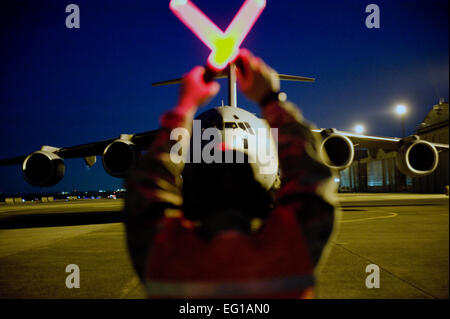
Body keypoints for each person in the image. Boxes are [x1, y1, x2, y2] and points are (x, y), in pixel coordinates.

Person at [124, 49, 337, 298]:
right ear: (256, 196)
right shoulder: (289, 251)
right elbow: (312, 178)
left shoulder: (166, 256)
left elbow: (146, 185)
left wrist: (184, 107)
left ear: (192, 192)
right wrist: (270, 98)